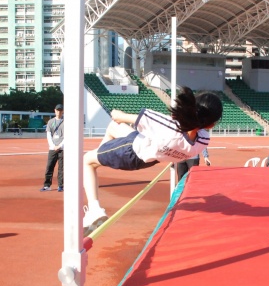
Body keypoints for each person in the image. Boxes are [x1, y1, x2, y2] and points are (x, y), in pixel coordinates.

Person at [82, 87, 223, 235]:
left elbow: (119, 117)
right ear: (211, 125)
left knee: (87, 161)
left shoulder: (169, 125)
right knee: (113, 127)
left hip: (131, 151)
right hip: (149, 155)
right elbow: (190, 132)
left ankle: (94, 209)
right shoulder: (203, 141)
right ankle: (97, 168)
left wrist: (117, 113)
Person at [40, 104, 64, 192]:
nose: (59, 112)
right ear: (55, 111)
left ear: (63, 111)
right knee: (49, 167)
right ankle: (47, 185)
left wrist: (60, 145)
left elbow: (68, 136)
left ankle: (61, 185)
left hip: (62, 149)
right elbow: (48, 135)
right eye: (57, 110)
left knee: (62, 168)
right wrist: (53, 146)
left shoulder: (66, 122)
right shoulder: (51, 122)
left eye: (60, 110)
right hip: (52, 148)